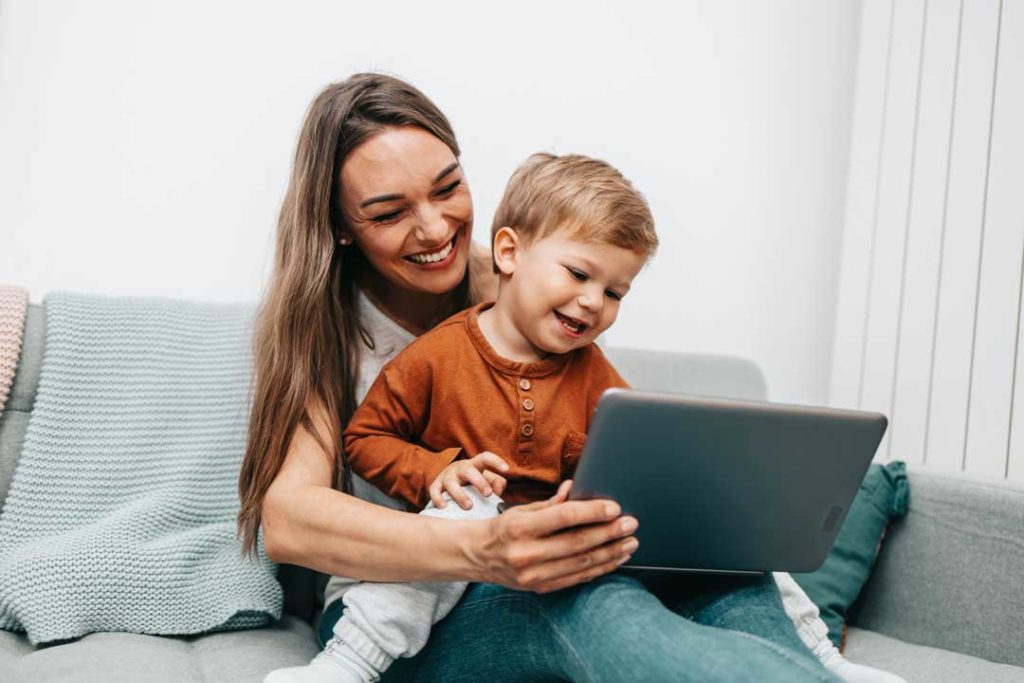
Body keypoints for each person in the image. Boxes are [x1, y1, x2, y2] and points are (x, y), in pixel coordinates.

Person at [239, 73, 899, 683]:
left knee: (726, 576)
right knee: (586, 597)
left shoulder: (542, 291)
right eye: (388, 213)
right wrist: (480, 546)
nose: (435, 227)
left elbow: (602, 452)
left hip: (546, 561)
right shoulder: (323, 329)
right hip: (402, 615)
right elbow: (291, 521)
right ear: (342, 228)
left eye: (447, 187)